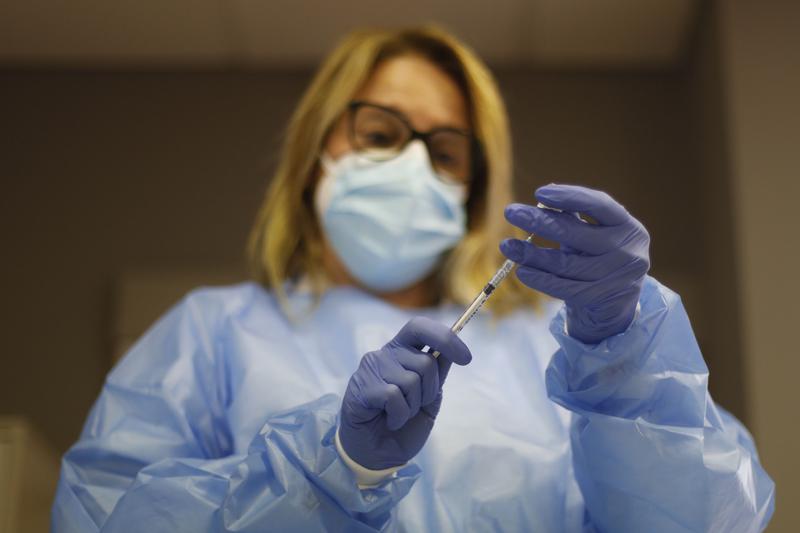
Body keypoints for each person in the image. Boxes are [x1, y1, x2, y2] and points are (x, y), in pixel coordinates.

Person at [52, 26, 775, 532]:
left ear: (473, 187)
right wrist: (333, 467)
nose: (412, 165)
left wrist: (624, 356)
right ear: (315, 151)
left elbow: (712, 519)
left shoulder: (546, 350)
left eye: (446, 150)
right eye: (380, 134)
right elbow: (105, 518)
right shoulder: (211, 334)